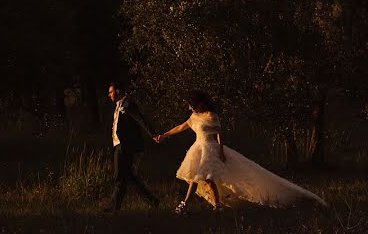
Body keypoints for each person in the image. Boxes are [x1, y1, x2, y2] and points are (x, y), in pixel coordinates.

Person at [154, 90, 326, 213]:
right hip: (198, 149)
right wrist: (165, 135)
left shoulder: (212, 116)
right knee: (195, 178)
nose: (189, 108)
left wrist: (221, 152)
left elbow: (219, 135)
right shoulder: (194, 117)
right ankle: (191, 205)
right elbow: (180, 127)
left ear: (198, 104)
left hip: (210, 149)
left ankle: (210, 205)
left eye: (191, 105)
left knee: (207, 178)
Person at [106, 82, 159, 212]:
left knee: (119, 177)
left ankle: (113, 208)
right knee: (129, 176)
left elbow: (141, 119)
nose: (109, 95)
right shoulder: (119, 105)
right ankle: (153, 200)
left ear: (118, 91)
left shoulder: (128, 104)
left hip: (125, 146)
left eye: (111, 92)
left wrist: (153, 135)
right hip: (119, 144)